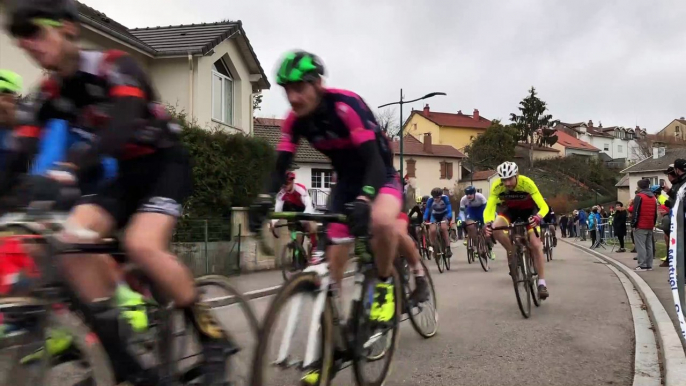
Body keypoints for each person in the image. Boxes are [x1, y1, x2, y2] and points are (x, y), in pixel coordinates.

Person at [4, 2, 229, 383]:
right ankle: (124, 359)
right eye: (24, 42)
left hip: (164, 165)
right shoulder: (49, 92)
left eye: (37, 34)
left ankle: (212, 334)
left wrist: (72, 167)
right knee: (68, 244)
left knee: (143, 245)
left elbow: (122, 125)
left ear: (68, 30)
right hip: (123, 175)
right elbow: (18, 152)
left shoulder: (114, 65)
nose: (32, 47)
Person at [248, 50, 410, 385]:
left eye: (300, 88)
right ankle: (330, 345)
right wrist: (264, 198)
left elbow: (374, 162)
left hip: (378, 175)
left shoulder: (346, 107)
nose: (293, 97)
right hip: (344, 183)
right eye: (286, 90)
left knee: (381, 222)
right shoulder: (294, 121)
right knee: (330, 269)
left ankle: (382, 286)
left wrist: (366, 199)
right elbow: (280, 167)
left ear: (318, 84)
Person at [483, 161, 550, 299]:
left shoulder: (527, 183)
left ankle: (542, 283)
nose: (507, 183)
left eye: (510, 179)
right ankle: (512, 251)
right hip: (509, 212)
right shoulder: (497, 186)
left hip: (529, 213)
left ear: (517, 175)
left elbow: (544, 206)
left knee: (536, 245)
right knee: (496, 228)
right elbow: (489, 208)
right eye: (504, 180)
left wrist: (538, 217)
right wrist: (487, 223)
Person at [271, 171, 318, 251]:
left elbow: (309, 205)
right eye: (284, 183)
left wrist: (304, 220)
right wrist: (273, 222)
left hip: (305, 210)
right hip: (293, 211)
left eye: (288, 183)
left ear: (292, 181)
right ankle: (297, 255)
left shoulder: (300, 189)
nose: (285, 185)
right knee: (297, 239)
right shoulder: (281, 193)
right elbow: (277, 211)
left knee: (312, 227)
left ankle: (315, 249)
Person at [628, 179, 658, 271]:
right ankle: (649, 265)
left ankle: (642, 264)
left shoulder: (639, 196)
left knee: (640, 245)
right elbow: (655, 213)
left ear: (640, 187)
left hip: (640, 224)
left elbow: (636, 211)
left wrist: (633, 224)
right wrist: (653, 223)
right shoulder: (653, 197)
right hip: (650, 224)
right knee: (649, 245)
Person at [458, 185, 495, 260]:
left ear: (474, 193)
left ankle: (490, 248)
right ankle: (476, 245)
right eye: (467, 194)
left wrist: (488, 219)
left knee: (486, 229)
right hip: (471, 211)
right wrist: (461, 220)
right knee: (470, 226)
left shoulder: (480, 197)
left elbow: (487, 208)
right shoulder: (463, 200)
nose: (469, 196)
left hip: (482, 210)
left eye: (471, 194)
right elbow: (461, 212)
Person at [424, 187, 453, 258]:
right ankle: (433, 246)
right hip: (435, 216)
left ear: (441, 196)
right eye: (434, 198)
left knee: (443, 228)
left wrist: (449, 215)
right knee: (433, 230)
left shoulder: (445, 198)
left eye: (437, 197)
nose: (436, 199)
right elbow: (427, 210)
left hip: (444, 215)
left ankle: (448, 248)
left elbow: (449, 208)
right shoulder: (430, 200)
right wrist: (424, 218)